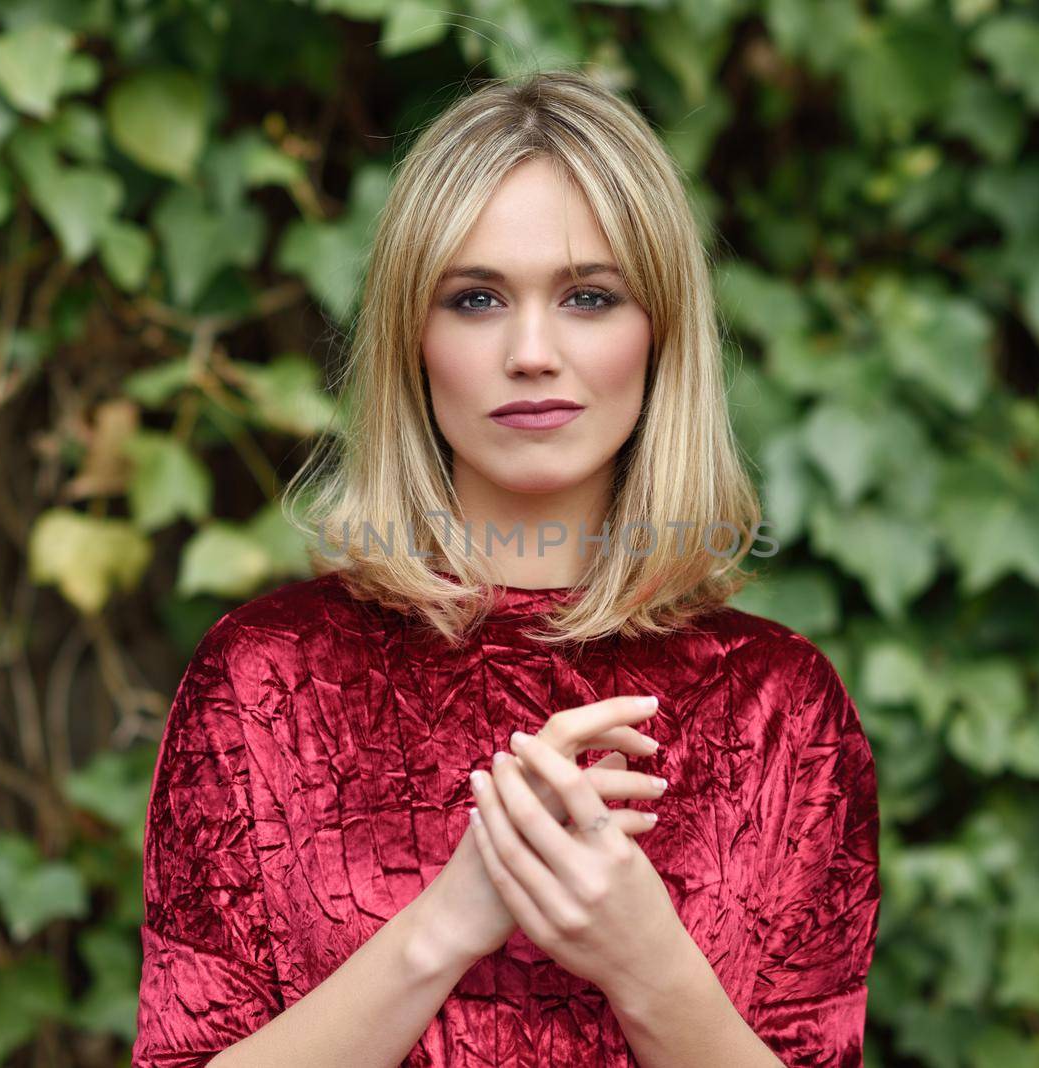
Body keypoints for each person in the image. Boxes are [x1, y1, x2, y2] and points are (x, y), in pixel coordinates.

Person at [132, 69, 880, 1068]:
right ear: (413, 337)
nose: (532, 352)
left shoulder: (777, 707)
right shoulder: (268, 681)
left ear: (659, 334)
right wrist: (452, 916)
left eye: (588, 296)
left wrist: (647, 963)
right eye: (476, 298)